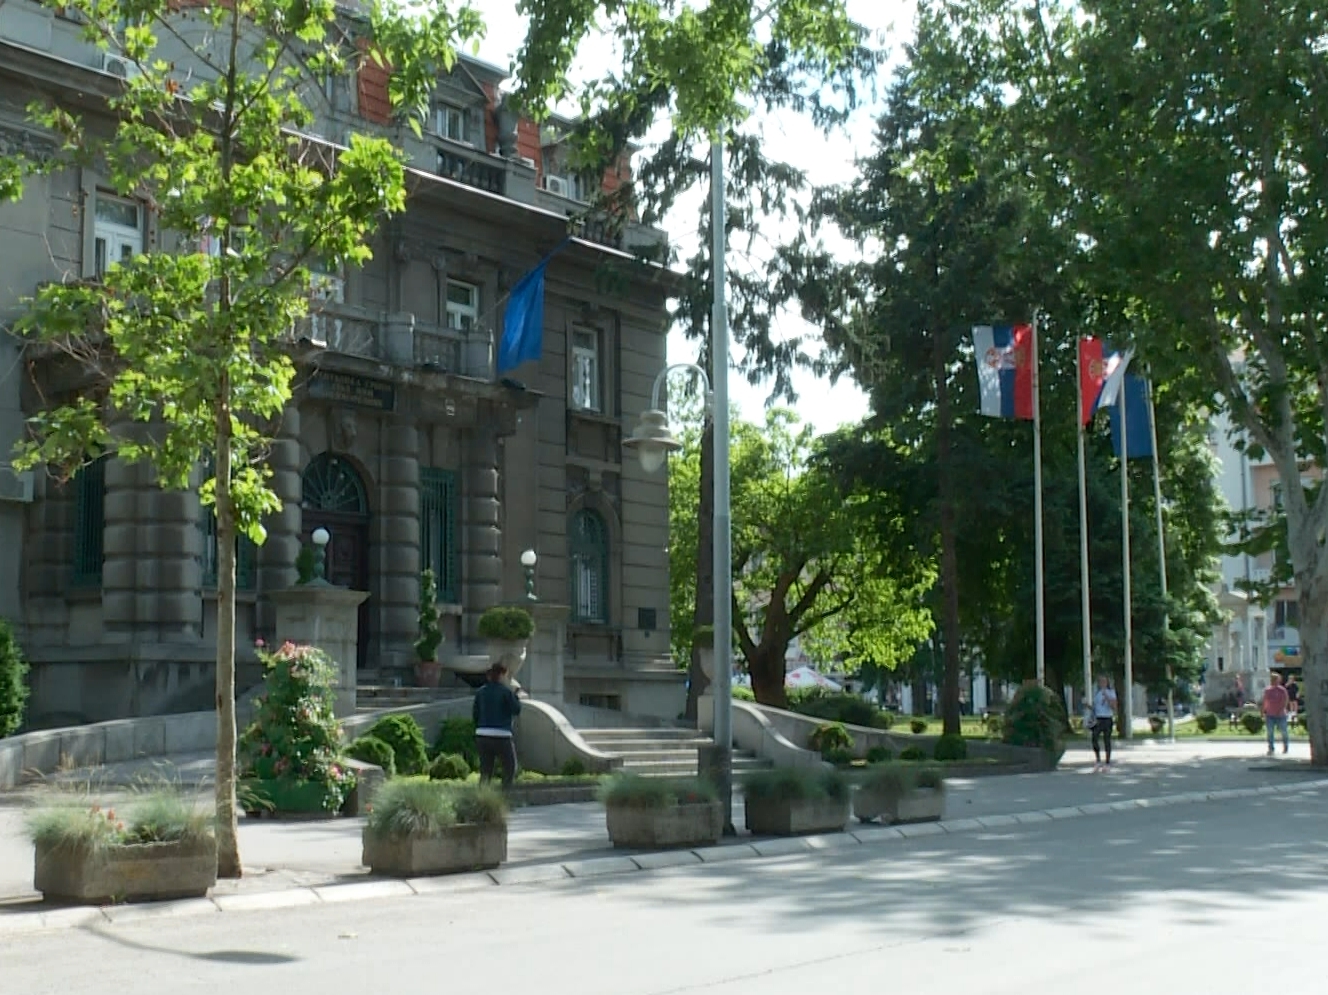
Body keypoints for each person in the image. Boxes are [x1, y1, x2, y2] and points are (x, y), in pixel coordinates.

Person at [473, 663, 522, 788]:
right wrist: (515, 695)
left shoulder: (480, 692)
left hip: (482, 734)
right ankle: (504, 795)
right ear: (502, 675)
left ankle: (482, 796)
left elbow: (475, 714)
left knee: (485, 770)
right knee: (510, 767)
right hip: (502, 734)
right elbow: (516, 709)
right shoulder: (506, 692)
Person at [1091, 675, 1118, 772]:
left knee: (1107, 740)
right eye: (1100, 682)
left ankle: (1107, 762)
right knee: (1094, 738)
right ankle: (1098, 760)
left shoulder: (1111, 692)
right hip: (1098, 719)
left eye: (1104, 681)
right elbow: (1095, 708)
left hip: (1107, 718)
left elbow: (1114, 707)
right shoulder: (1097, 693)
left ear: (1107, 683)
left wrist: (1107, 697)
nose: (1102, 683)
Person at [1262, 672, 1290, 756]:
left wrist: (1282, 709)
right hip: (1270, 714)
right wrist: (1264, 711)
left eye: (1276, 679)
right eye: (1273, 679)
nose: (1275, 681)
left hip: (1281, 715)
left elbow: (1286, 700)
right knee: (1270, 732)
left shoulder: (1282, 690)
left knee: (1284, 731)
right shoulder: (1267, 690)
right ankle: (1271, 748)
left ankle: (1285, 746)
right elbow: (1265, 701)